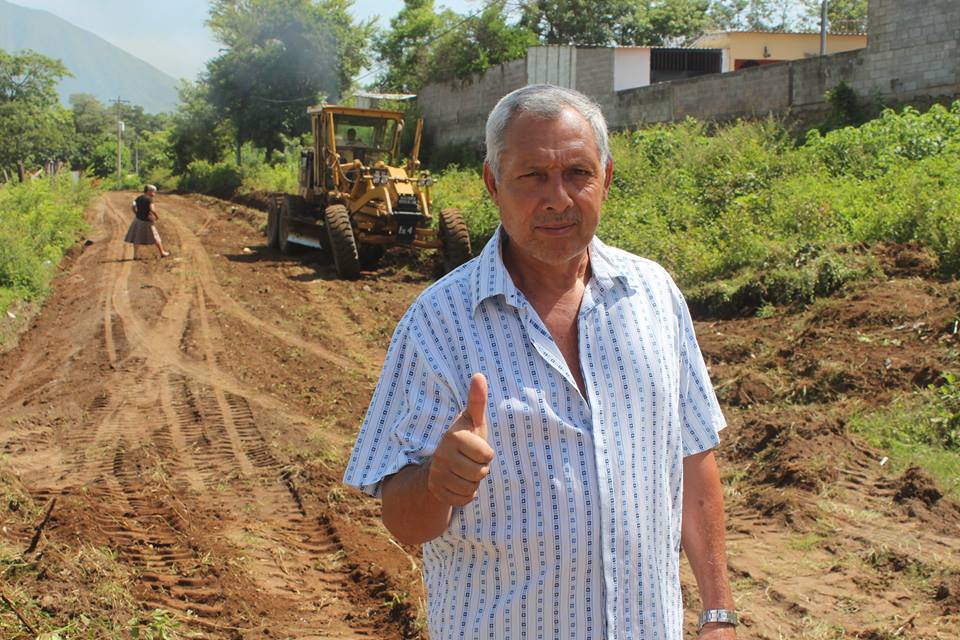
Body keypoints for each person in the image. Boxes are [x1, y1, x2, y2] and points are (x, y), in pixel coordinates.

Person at [344, 84, 737, 640]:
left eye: (577, 172)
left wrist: (718, 613)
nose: (557, 198)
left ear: (607, 178)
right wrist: (438, 480)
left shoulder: (654, 295)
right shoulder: (437, 323)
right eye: (532, 176)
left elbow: (694, 461)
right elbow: (403, 522)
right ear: (492, 183)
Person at [124, 185, 169, 259]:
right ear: (149, 191)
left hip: (138, 220)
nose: (154, 193)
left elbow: (132, 207)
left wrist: (137, 214)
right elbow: (152, 210)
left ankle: (135, 255)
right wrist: (156, 217)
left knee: (137, 237)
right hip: (147, 221)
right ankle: (162, 253)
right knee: (156, 237)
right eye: (154, 191)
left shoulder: (139, 198)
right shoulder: (149, 199)